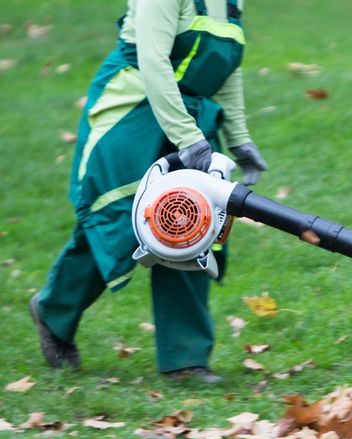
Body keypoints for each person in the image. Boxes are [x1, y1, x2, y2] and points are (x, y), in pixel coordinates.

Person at [30, 0, 267, 384]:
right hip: (132, 108)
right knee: (120, 222)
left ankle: (185, 361)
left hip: (187, 115)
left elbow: (227, 69)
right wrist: (187, 137)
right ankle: (53, 311)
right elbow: (154, 63)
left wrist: (240, 139)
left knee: (193, 223)